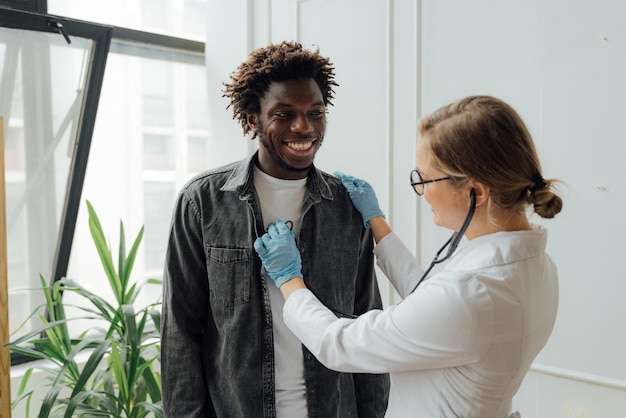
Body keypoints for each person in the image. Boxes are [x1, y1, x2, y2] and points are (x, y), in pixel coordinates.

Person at [254, 95, 563, 417]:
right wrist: (376, 222)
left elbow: (340, 344)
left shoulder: (473, 291)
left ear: (476, 192)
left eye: (425, 179)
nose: (422, 190)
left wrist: (288, 278)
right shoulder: (535, 265)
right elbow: (432, 304)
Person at [161, 41, 390, 417]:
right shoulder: (202, 203)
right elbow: (180, 331)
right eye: (284, 114)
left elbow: (367, 321)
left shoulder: (346, 207)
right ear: (253, 118)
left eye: (315, 113)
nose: (304, 127)